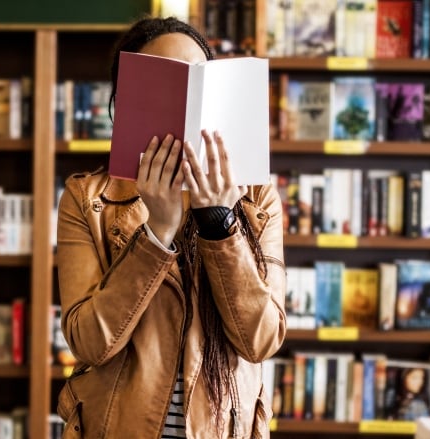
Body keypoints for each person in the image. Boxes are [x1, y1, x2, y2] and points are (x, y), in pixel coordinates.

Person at [55, 16, 286, 439]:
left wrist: (219, 222)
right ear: (125, 105)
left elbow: (262, 340)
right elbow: (89, 343)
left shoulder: (256, 201)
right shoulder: (86, 201)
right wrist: (156, 234)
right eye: (164, 86)